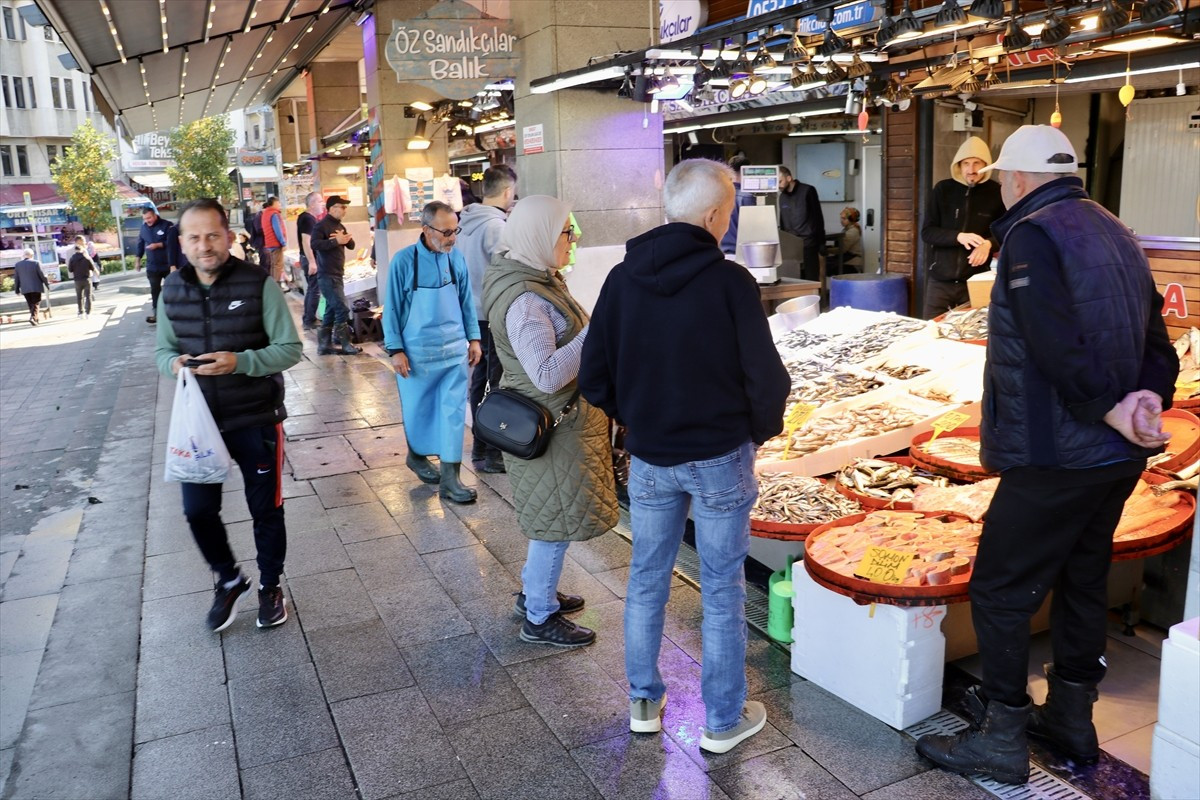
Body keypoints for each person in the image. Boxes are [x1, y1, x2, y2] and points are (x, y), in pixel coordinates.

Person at [915, 126, 1179, 785]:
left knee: (1001, 586)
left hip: (1055, 453)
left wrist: (1105, 404)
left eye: (1003, 177)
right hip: (1114, 458)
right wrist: (1147, 397)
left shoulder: (1033, 235)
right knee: (1083, 578)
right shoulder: (1115, 228)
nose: (1001, 188)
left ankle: (1002, 735)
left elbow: (1052, 342)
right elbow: (1159, 338)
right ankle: (1070, 719)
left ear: (1017, 179)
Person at [578, 159, 790, 754]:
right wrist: (759, 431)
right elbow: (766, 379)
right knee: (722, 587)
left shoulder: (622, 280)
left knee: (647, 578)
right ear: (715, 215)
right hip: (720, 455)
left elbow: (594, 376)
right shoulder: (731, 282)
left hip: (649, 458)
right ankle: (722, 720)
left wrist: (636, 414)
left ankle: (644, 700)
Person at [154, 198, 303, 632]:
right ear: (182, 243)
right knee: (197, 510)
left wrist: (240, 362)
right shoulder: (172, 291)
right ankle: (229, 578)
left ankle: (271, 586)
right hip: (200, 425)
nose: (205, 246)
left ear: (230, 237)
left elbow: (289, 349)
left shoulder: (259, 284)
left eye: (213, 235)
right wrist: (174, 364)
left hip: (256, 418)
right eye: (195, 237)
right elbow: (163, 351)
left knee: (266, 510)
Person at [481, 195, 618, 647]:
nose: (574, 238)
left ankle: (535, 593)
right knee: (554, 523)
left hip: (559, 422)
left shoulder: (538, 280)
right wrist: (599, 331)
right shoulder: (524, 298)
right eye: (566, 231)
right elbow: (546, 372)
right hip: (553, 426)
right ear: (540, 235)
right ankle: (539, 615)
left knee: (551, 517)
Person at [382, 201, 482, 503]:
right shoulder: (403, 262)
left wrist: (474, 338)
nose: (452, 238)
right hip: (417, 355)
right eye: (447, 232)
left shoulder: (456, 259)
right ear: (426, 229)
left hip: (453, 352)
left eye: (455, 231)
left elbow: (466, 301)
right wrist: (395, 350)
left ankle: (451, 480)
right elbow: (393, 309)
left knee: (452, 415)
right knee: (420, 412)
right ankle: (416, 455)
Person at [459, 164, 518, 474]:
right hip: (491, 314)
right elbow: (508, 268)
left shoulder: (465, 221)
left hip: (471, 315)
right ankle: (491, 452)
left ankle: (481, 448)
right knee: (495, 382)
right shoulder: (496, 226)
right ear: (507, 191)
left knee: (479, 381)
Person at [920, 135, 1005, 319]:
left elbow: (1006, 231)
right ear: (958, 165)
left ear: (987, 164)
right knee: (931, 331)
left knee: (973, 334)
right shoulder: (943, 189)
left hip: (975, 281)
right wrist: (958, 236)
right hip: (940, 283)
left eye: (977, 163)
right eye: (966, 163)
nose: (971, 170)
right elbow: (927, 232)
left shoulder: (997, 192)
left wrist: (989, 244)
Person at [310, 195, 361, 356]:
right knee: (342, 308)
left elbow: (351, 245)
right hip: (327, 275)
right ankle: (346, 343)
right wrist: (335, 242)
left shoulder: (339, 225)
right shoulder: (321, 226)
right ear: (332, 208)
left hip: (337, 274)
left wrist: (345, 239)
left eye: (345, 207)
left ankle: (324, 345)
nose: (345, 210)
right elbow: (314, 244)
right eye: (342, 207)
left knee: (331, 310)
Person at [777, 165, 825, 282]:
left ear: (789, 178)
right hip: (791, 244)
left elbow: (817, 216)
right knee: (792, 278)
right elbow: (782, 221)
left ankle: (814, 300)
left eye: (780, 181)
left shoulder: (808, 190)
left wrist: (821, 243)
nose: (778, 185)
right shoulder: (782, 197)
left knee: (811, 277)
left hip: (808, 242)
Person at [136, 206, 179, 324]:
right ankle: (157, 314)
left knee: (171, 288)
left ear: (155, 215)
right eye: (145, 219)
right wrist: (138, 259)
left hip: (167, 264)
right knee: (155, 290)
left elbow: (172, 243)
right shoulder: (143, 228)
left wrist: (158, 245)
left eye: (149, 217)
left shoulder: (167, 225)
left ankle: (175, 312)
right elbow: (140, 244)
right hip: (152, 266)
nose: (147, 221)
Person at [296, 192, 323, 331]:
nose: (322, 204)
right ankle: (309, 319)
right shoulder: (308, 219)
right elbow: (306, 241)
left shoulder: (305, 217)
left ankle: (308, 317)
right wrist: (312, 262)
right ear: (312, 204)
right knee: (314, 290)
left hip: (307, 258)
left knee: (312, 289)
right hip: (309, 258)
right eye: (319, 201)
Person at [719, 153, 755, 256]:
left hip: (722, 252)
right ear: (746, 171)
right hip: (742, 254)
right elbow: (753, 229)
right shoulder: (746, 196)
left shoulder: (718, 194)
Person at [12, 248, 49, 326]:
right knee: (36, 303)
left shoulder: (18, 265)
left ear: (24, 255)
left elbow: (16, 278)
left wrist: (17, 290)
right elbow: (42, 275)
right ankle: (33, 318)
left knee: (31, 304)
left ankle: (36, 319)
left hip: (25, 288)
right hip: (36, 287)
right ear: (32, 255)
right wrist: (47, 284)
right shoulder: (36, 263)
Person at [260, 196, 288, 291]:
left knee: (273, 265)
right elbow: (278, 230)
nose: (280, 205)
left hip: (269, 243)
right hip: (275, 243)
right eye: (278, 203)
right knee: (277, 265)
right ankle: (276, 287)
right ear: (274, 203)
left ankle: (273, 285)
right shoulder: (274, 214)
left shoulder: (265, 214)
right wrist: (283, 242)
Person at [68, 236, 97, 318]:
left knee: (79, 297)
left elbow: (70, 269)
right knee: (88, 296)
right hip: (86, 278)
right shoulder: (85, 257)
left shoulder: (72, 258)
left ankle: (81, 312)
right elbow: (91, 266)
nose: (84, 243)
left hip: (77, 279)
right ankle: (88, 312)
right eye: (83, 241)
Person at [840, 207, 865, 272]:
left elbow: (842, 249)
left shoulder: (853, 231)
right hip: (847, 260)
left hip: (851, 264)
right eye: (841, 218)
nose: (841, 220)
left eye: (844, 219)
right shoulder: (847, 229)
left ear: (851, 219)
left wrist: (828, 251)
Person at [246, 200, 265, 265]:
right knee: (264, 260)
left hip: (260, 242)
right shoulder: (259, 216)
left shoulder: (258, 216)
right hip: (261, 242)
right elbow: (258, 230)